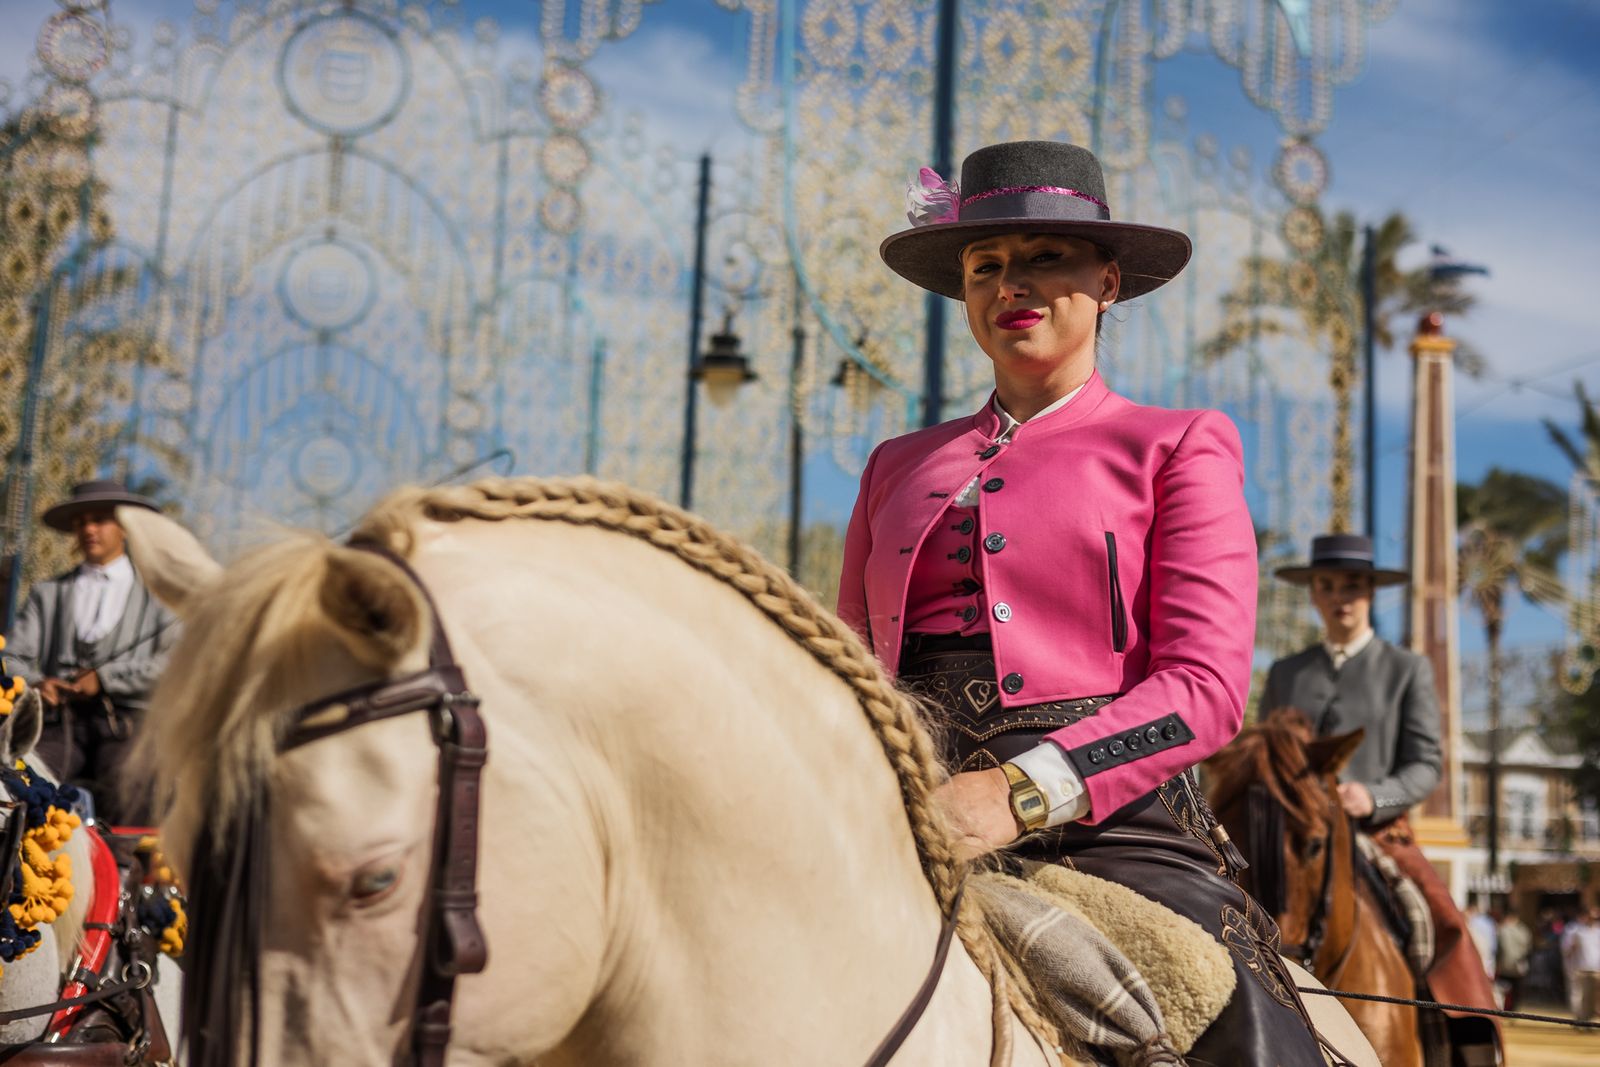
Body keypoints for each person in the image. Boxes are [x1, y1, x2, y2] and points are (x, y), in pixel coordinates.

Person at [838, 140, 1324, 1065]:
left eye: (1044, 257)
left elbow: (1203, 688)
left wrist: (1019, 793)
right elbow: (850, 665)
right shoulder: (893, 465)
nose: (1010, 283)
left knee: (1232, 1024)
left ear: (1108, 282)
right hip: (899, 809)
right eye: (986, 266)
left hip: (1114, 828)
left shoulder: (1179, 444)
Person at [1261, 533, 1501, 1051]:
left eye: (1353, 585)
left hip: (1377, 834)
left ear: (1370, 592)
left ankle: (1470, 1046)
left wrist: (1371, 797)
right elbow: (1264, 762)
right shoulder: (1285, 673)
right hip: (1295, 838)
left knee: (1442, 926)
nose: (1340, 597)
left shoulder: (1406, 668)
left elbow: (1426, 765)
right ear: (1314, 595)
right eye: (1327, 586)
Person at [4, 480, 179, 825]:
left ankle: (124, 867)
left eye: (99, 520)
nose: (89, 529)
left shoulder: (159, 595)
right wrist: (40, 683)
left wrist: (106, 679)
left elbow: (172, 665)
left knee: (131, 783)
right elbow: (12, 656)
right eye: (81, 522)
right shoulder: (49, 593)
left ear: (124, 528)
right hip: (58, 723)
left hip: (127, 726)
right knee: (22, 777)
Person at [1563, 907, 1600, 1021]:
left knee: (1593, 997)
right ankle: (1582, 1019)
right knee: (1581, 997)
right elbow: (1568, 950)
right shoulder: (1577, 932)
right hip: (1581, 969)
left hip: (1596, 969)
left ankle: (1589, 1019)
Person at [1496, 909, 1532, 1010]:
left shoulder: (1502, 930)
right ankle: (1514, 1009)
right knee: (1517, 989)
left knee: (1502, 989)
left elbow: (1498, 948)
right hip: (1519, 965)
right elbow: (1528, 948)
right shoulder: (1524, 930)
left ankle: (1503, 1009)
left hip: (1505, 965)